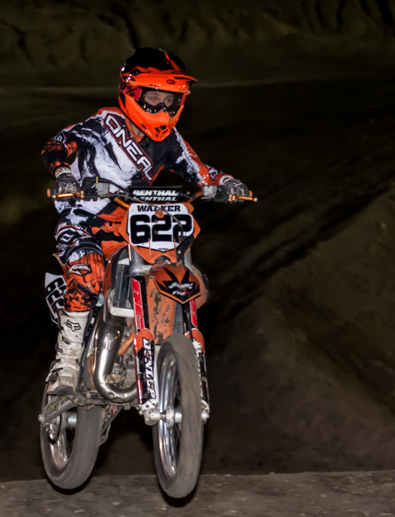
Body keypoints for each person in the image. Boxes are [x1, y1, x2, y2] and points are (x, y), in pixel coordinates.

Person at [40, 47, 252, 395]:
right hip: (84, 222)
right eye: (154, 97)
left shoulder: (168, 140)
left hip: (130, 226)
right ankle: (66, 363)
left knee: (185, 275)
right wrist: (64, 174)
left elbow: (199, 170)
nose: (163, 107)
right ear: (131, 91)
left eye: (171, 100)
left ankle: (157, 341)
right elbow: (58, 143)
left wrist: (226, 183)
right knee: (89, 273)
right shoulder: (101, 126)